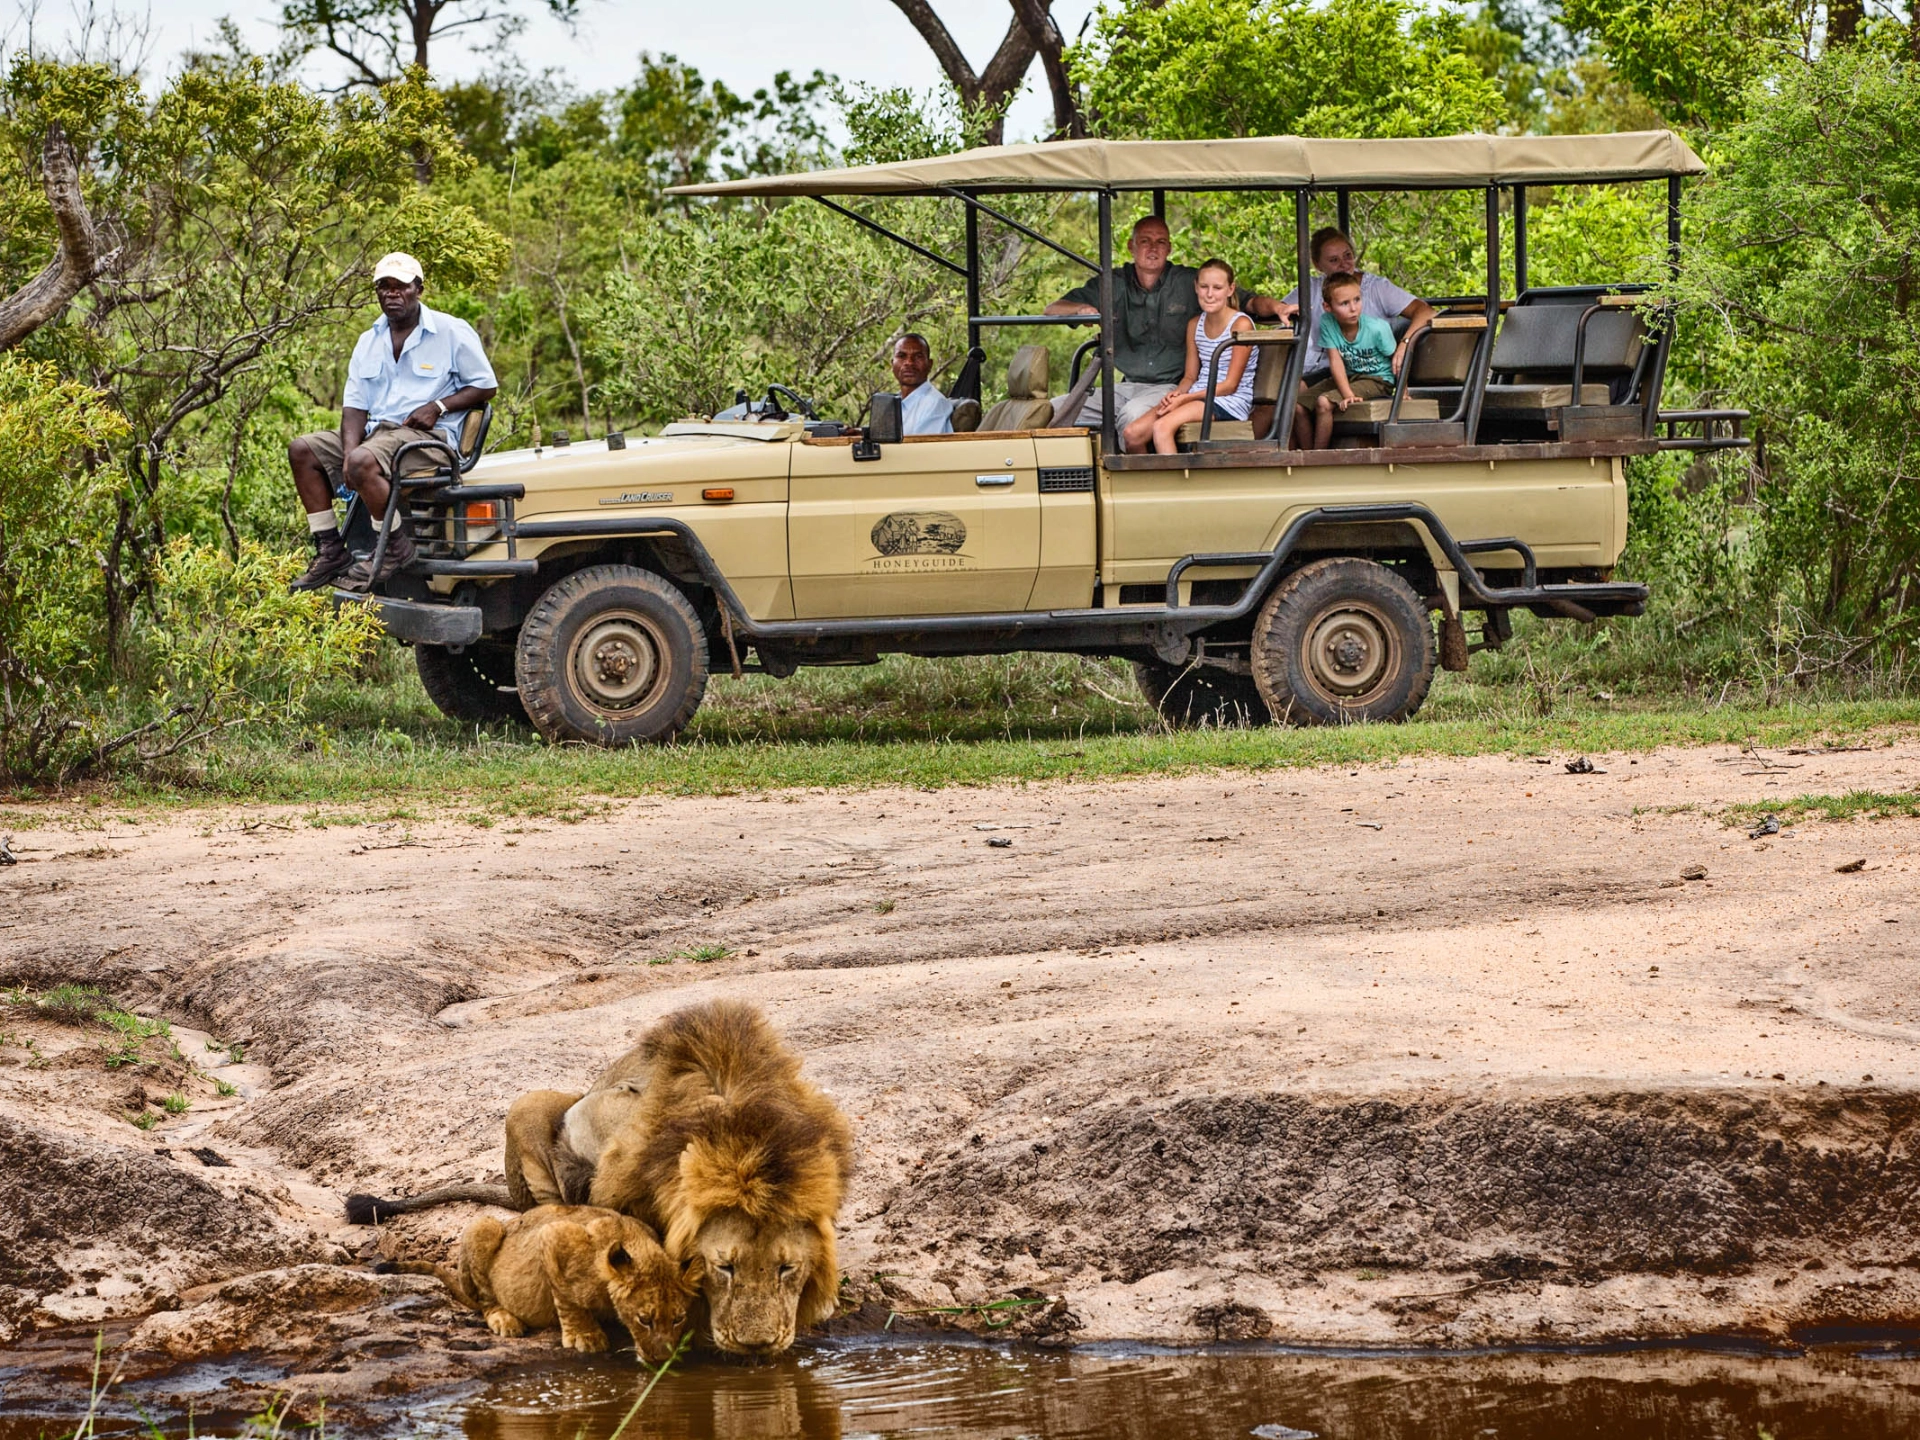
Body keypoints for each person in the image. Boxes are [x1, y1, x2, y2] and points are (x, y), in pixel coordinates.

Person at [289, 252, 499, 593]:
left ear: (418, 288)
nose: (391, 294)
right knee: (303, 451)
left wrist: (439, 405)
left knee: (361, 460)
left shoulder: (450, 331)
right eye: (383, 287)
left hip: (429, 440)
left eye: (400, 286)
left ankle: (395, 545)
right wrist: (348, 454)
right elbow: (354, 408)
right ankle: (330, 549)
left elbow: (485, 385)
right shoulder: (368, 341)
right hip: (378, 435)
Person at [1044, 215, 1283, 432]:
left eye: (1160, 242)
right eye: (1145, 241)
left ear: (1169, 247)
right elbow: (1052, 309)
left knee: (1132, 417)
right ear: (1131, 246)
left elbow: (1249, 301)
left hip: (1171, 385)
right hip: (1125, 386)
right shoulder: (1111, 283)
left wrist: (1278, 307)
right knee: (1054, 410)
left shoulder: (1189, 282)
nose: (1153, 248)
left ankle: (1122, 478)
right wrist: (1081, 309)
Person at [1124, 258, 1256, 455]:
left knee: (1161, 428)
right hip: (1197, 395)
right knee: (1132, 433)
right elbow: (1190, 377)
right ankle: (1150, 483)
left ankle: (1175, 485)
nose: (1209, 294)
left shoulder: (1241, 324)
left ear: (1230, 289)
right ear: (1195, 287)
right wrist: (1177, 394)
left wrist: (1186, 398)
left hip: (1228, 400)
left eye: (1217, 288)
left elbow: (1230, 385)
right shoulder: (1194, 325)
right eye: (1204, 287)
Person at [1271, 227, 1435, 383]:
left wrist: (1405, 344)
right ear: (1317, 264)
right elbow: (1275, 311)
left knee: (1296, 398)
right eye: (1334, 260)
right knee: (1277, 395)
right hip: (1311, 368)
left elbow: (1425, 311)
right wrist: (1278, 309)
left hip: (1358, 370)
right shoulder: (1310, 288)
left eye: (1347, 256)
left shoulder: (1376, 287)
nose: (1344, 264)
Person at [1293, 272, 1399, 450]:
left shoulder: (1377, 328)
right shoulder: (1327, 322)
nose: (1353, 308)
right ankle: (1307, 454)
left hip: (1379, 379)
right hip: (1351, 376)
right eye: (1344, 303)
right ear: (1327, 307)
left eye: (1357, 300)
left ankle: (1320, 457)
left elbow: (1397, 360)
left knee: (1323, 402)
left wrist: (1402, 390)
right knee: (1297, 406)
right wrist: (1347, 392)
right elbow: (1335, 361)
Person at [891, 333, 953, 435]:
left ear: (930, 364)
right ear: (892, 364)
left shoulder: (934, 403)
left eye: (918, 356)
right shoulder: (892, 402)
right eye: (902, 356)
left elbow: (921, 449)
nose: (909, 362)